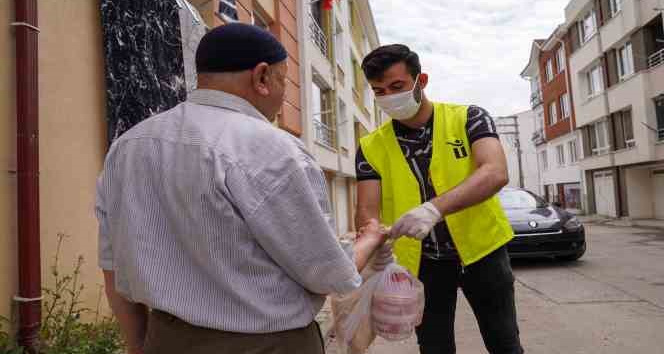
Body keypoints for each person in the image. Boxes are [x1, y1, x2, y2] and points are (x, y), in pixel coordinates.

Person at [95, 23, 391, 354]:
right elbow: (327, 273)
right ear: (262, 77)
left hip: (164, 338)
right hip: (265, 344)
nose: (283, 95)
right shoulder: (272, 151)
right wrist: (370, 240)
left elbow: (113, 266)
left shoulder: (127, 147)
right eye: (284, 80)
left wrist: (138, 345)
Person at [355, 44, 524, 354]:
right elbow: (367, 210)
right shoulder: (370, 146)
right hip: (422, 264)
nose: (388, 97)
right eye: (379, 91)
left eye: (397, 86)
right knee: (434, 348)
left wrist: (434, 208)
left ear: (422, 81)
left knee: (504, 343)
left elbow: (495, 172)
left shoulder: (469, 118)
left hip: (482, 252)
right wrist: (372, 244)